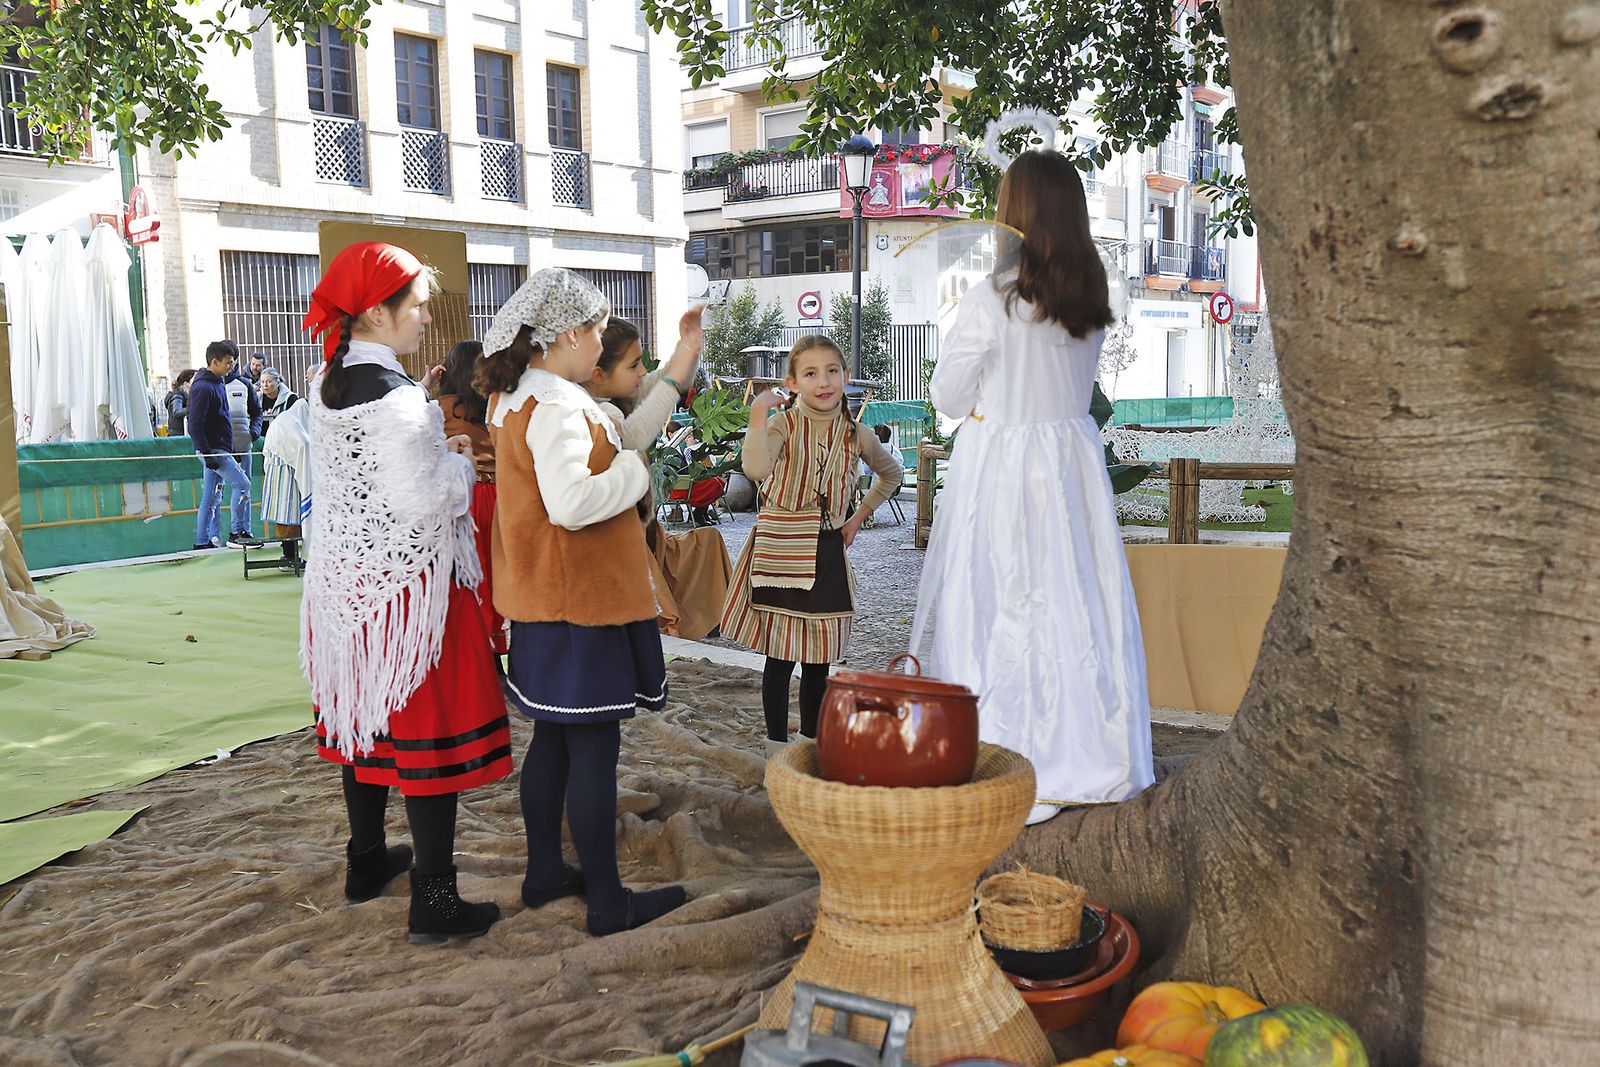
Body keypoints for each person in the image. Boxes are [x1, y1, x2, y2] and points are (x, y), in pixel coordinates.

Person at [909, 150, 1154, 824]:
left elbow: (950, 395)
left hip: (1004, 465)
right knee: (1076, 601)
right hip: (1070, 461)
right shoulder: (1091, 293)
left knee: (998, 601)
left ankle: (1005, 752)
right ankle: (1084, 750)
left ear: (1013, 214)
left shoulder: (996, 298)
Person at [301, 241, 512, 944]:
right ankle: (436, 899)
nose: (426, 316)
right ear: (376, 310)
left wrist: (427, 432)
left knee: (364, 723)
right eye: (417, 305)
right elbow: (423, 500)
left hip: (350, 585)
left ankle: (366, 860)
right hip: (409, 595)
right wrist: (457, 463)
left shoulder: (324, 385)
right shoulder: (398, 402)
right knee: (425, 738)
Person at [479, 268, 688, 937]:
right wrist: (633, 472)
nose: (602, 344)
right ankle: (607, 901)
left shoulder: (516, 398)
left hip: (543, 597)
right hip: (581, 602)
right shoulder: (560, 405)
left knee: (555, 742)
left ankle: (545, 873)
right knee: (594, 748)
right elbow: (571, 503)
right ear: (568, 332)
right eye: (598, 330)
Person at [720, 336, 904, 754]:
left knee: (819, 660)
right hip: (780, 547)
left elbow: (891, 475)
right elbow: (754, 467)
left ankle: (808, 747)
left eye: (832, 371)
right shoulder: (782, 424)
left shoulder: (856, 433)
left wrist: (857, 519)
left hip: (826, 550)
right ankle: (775, 749)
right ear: (794, 381)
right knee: (781, 657)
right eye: (810, 373)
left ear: (846, 376)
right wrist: (758, 412)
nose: (823, 382)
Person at [585, 315, 730, 640]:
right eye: (634, 365)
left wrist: (689, 348)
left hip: (638, 534)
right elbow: (635, 433)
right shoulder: (600, 415)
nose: (641, 372)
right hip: (615, 544)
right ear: (599, 375)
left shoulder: (614, 398)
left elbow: (668, 380)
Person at [431, 340, 505, 655]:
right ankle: (502, 646)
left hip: (462, 497)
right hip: (501, 497)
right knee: (500, 573)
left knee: (468, 576)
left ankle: (475, 650)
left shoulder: (437, 408)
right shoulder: (496, 404)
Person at [188, 343, 254, 551]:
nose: (231, 366)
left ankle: (202, 541)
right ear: (214, 362)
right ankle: (237, 533)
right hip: (213, 450)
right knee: (242, 484)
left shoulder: (217, 382)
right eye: (227, 362)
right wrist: (207, 454)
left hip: (221, 448)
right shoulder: (202, 387)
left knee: (212, 496)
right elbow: (194, 425)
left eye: (232, 362)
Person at [219, 342, 263, 547]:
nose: (229, 364)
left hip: (243, 446)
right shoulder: (213, 384)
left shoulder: (245, 385)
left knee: (245, 490)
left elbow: (257, 413)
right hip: (219, 449)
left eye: (231, 359)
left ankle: (244, 531)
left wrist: (253, 433)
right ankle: (213, 538)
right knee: (215, 494)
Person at [261, 392, 311, 568]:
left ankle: (288, 554)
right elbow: (304, 445)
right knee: (288, 514)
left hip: (277, 472)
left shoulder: (285, 419)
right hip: (285, 474)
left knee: (283, 514)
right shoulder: (290, 422)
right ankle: (289, 555)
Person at [258, 367, 298, 434]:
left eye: (269, 381)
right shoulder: (257, 398)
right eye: (262, 382)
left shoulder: (289, 398)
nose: (265, 385)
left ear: (277, 382)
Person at [165, 368, 196, 437]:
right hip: (178, 435)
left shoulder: (186, 395)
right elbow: (176, 411)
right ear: (186, 383)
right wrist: (194, 408)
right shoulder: (178, 395)